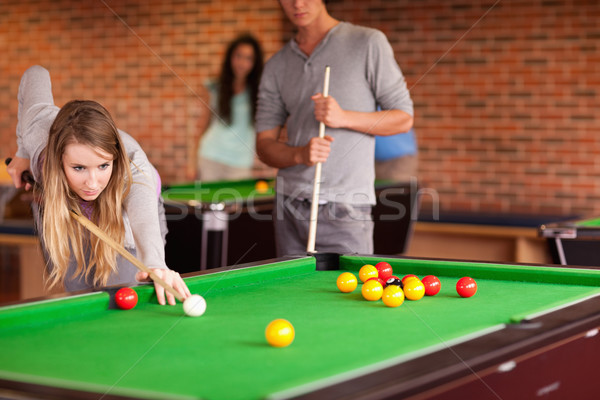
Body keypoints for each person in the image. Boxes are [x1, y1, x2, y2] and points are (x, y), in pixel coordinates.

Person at [6, 65, 190, 305]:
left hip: (121, 217)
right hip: (68, 213)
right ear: (56, 159)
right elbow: (36, 73)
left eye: (103, 166)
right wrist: (22, 152)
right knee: (80, 293)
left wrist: (155, 263)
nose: (92, 183)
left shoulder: (133, 171)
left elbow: (143, 219)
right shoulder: (37, 129)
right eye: (79, 168)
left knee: (123, 294)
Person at [256, 0, 414, 256]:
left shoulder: (368, 43)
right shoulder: (276, 65)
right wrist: (299, 154)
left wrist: (343, 117)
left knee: (349, 294)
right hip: (289, 205)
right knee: (291, 295)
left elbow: (403, 118)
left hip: (346, 207)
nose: (297, 3)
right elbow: (264, 145)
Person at [197, 34, 264, 181]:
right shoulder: (215, 87)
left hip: (240, 162)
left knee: (237, 203)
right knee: (209, 204)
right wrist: (190, 163)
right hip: (211, 156)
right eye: (238, 56)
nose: (242, 62)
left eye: (248, 58)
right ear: (230, 58)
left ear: (255, 62)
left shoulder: (259, 92)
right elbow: (202, 124)